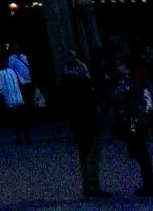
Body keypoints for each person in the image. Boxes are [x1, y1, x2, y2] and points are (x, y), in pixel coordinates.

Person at [59, 54, 105, 199]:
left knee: (83, 155)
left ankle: (87, 186)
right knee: (92, 156)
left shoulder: (65, 85)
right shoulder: (84, 82)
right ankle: (93, 187)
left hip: (76, 124)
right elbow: (94, 98)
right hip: (89, 122)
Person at [110, 61, 153, 198]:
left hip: (135, 119)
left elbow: (117, 95)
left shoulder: (129, 81)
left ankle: (149, 185)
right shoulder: (137, 80)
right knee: (142, 152)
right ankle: (149, 184)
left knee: (141, 151)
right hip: (138, 118)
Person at [0, 52, 32, 141]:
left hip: (9, 100)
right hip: (19, 97)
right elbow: (23, 82)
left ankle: (18, 137)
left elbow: (0, 88)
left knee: (14, 119)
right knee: (23, 117)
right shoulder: (14, 71)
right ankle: (27, 136)